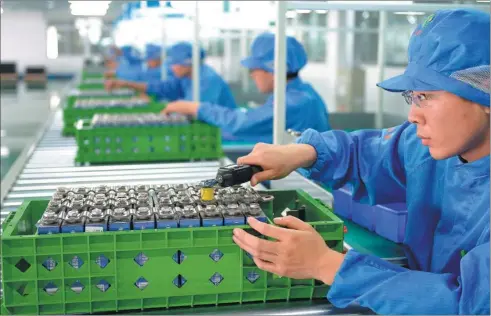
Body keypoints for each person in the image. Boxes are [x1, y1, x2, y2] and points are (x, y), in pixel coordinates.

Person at [232, 9, 490, 315]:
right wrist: (301, 152)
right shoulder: (426, 148)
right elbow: (364, 152)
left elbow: (469, 305)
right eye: (412, 97)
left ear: (483, 91)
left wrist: (327, 264)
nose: (412, 115)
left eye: (426, 96)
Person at [162, 32, 331, 143]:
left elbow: (242, 123)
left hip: (309, 185)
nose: (251, 75)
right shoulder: (298, 93)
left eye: (254, 69)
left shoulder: (296, 102)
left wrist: (194, 107)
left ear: (275, 67)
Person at [105, 42, 237, 108]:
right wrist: (125, 84)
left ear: (188, 63)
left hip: (223, 135)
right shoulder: (185, 78)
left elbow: (195, 109)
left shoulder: (207, 80)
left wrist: (167, 106)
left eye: (175, 63)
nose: (171, 67)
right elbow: (162, 87)